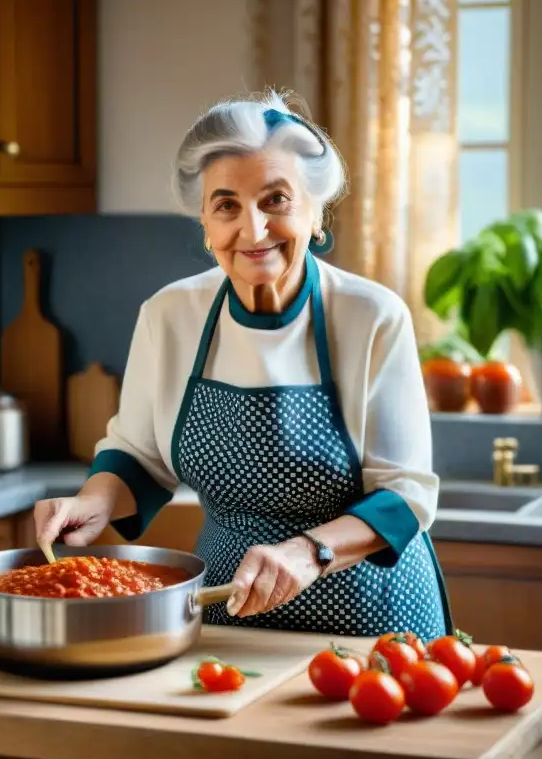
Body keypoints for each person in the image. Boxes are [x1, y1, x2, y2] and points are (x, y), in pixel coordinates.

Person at [33, 89, 453, 640]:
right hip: (230, 612)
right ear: (205, 223)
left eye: (275, 200)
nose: (252, 231)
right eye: (226, 205)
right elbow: (137, 454)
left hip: (367, 622)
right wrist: (94, 500)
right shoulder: (169, 315)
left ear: (315, 211)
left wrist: (308, 553)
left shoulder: (371, 317)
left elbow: (407, 494)